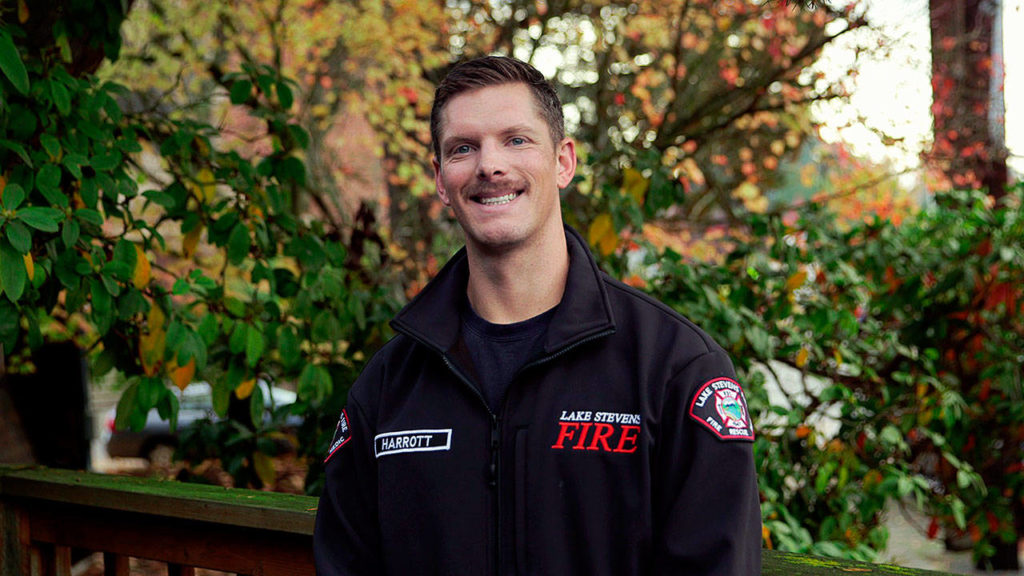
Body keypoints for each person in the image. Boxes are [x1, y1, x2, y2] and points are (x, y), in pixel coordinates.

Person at [314, 55, 762, 576]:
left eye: (517, 140)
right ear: (440, 179)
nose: (490, 165)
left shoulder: (675, 369)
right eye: (464, 148)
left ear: (563, 162)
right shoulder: (388, 386)